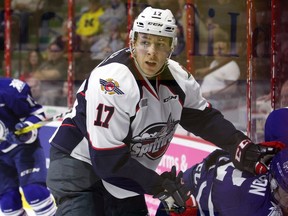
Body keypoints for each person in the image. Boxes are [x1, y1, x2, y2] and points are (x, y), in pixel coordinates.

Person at [46, 7, 283, 215]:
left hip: (123, 168)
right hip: (79, 161)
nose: (151, 51)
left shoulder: (179, 79)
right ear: (132, 42)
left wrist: (239, 145)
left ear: (171, 48)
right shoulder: (113, 82)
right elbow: (107, 160)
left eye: (160, 44)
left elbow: (203, 119)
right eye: (145, 42)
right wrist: (160, 186)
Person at [157, 107, 288, 216]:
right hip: (186, 196)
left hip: (202, 180)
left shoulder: (275, 160)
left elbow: (277, 118)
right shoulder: (253, 208)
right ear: (276, 184)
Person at [0, 77, 56, 215]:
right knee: (8, 205)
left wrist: (26, 129)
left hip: (22, 149)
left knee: (35, 193)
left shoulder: (9, 89)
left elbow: (38, 114)